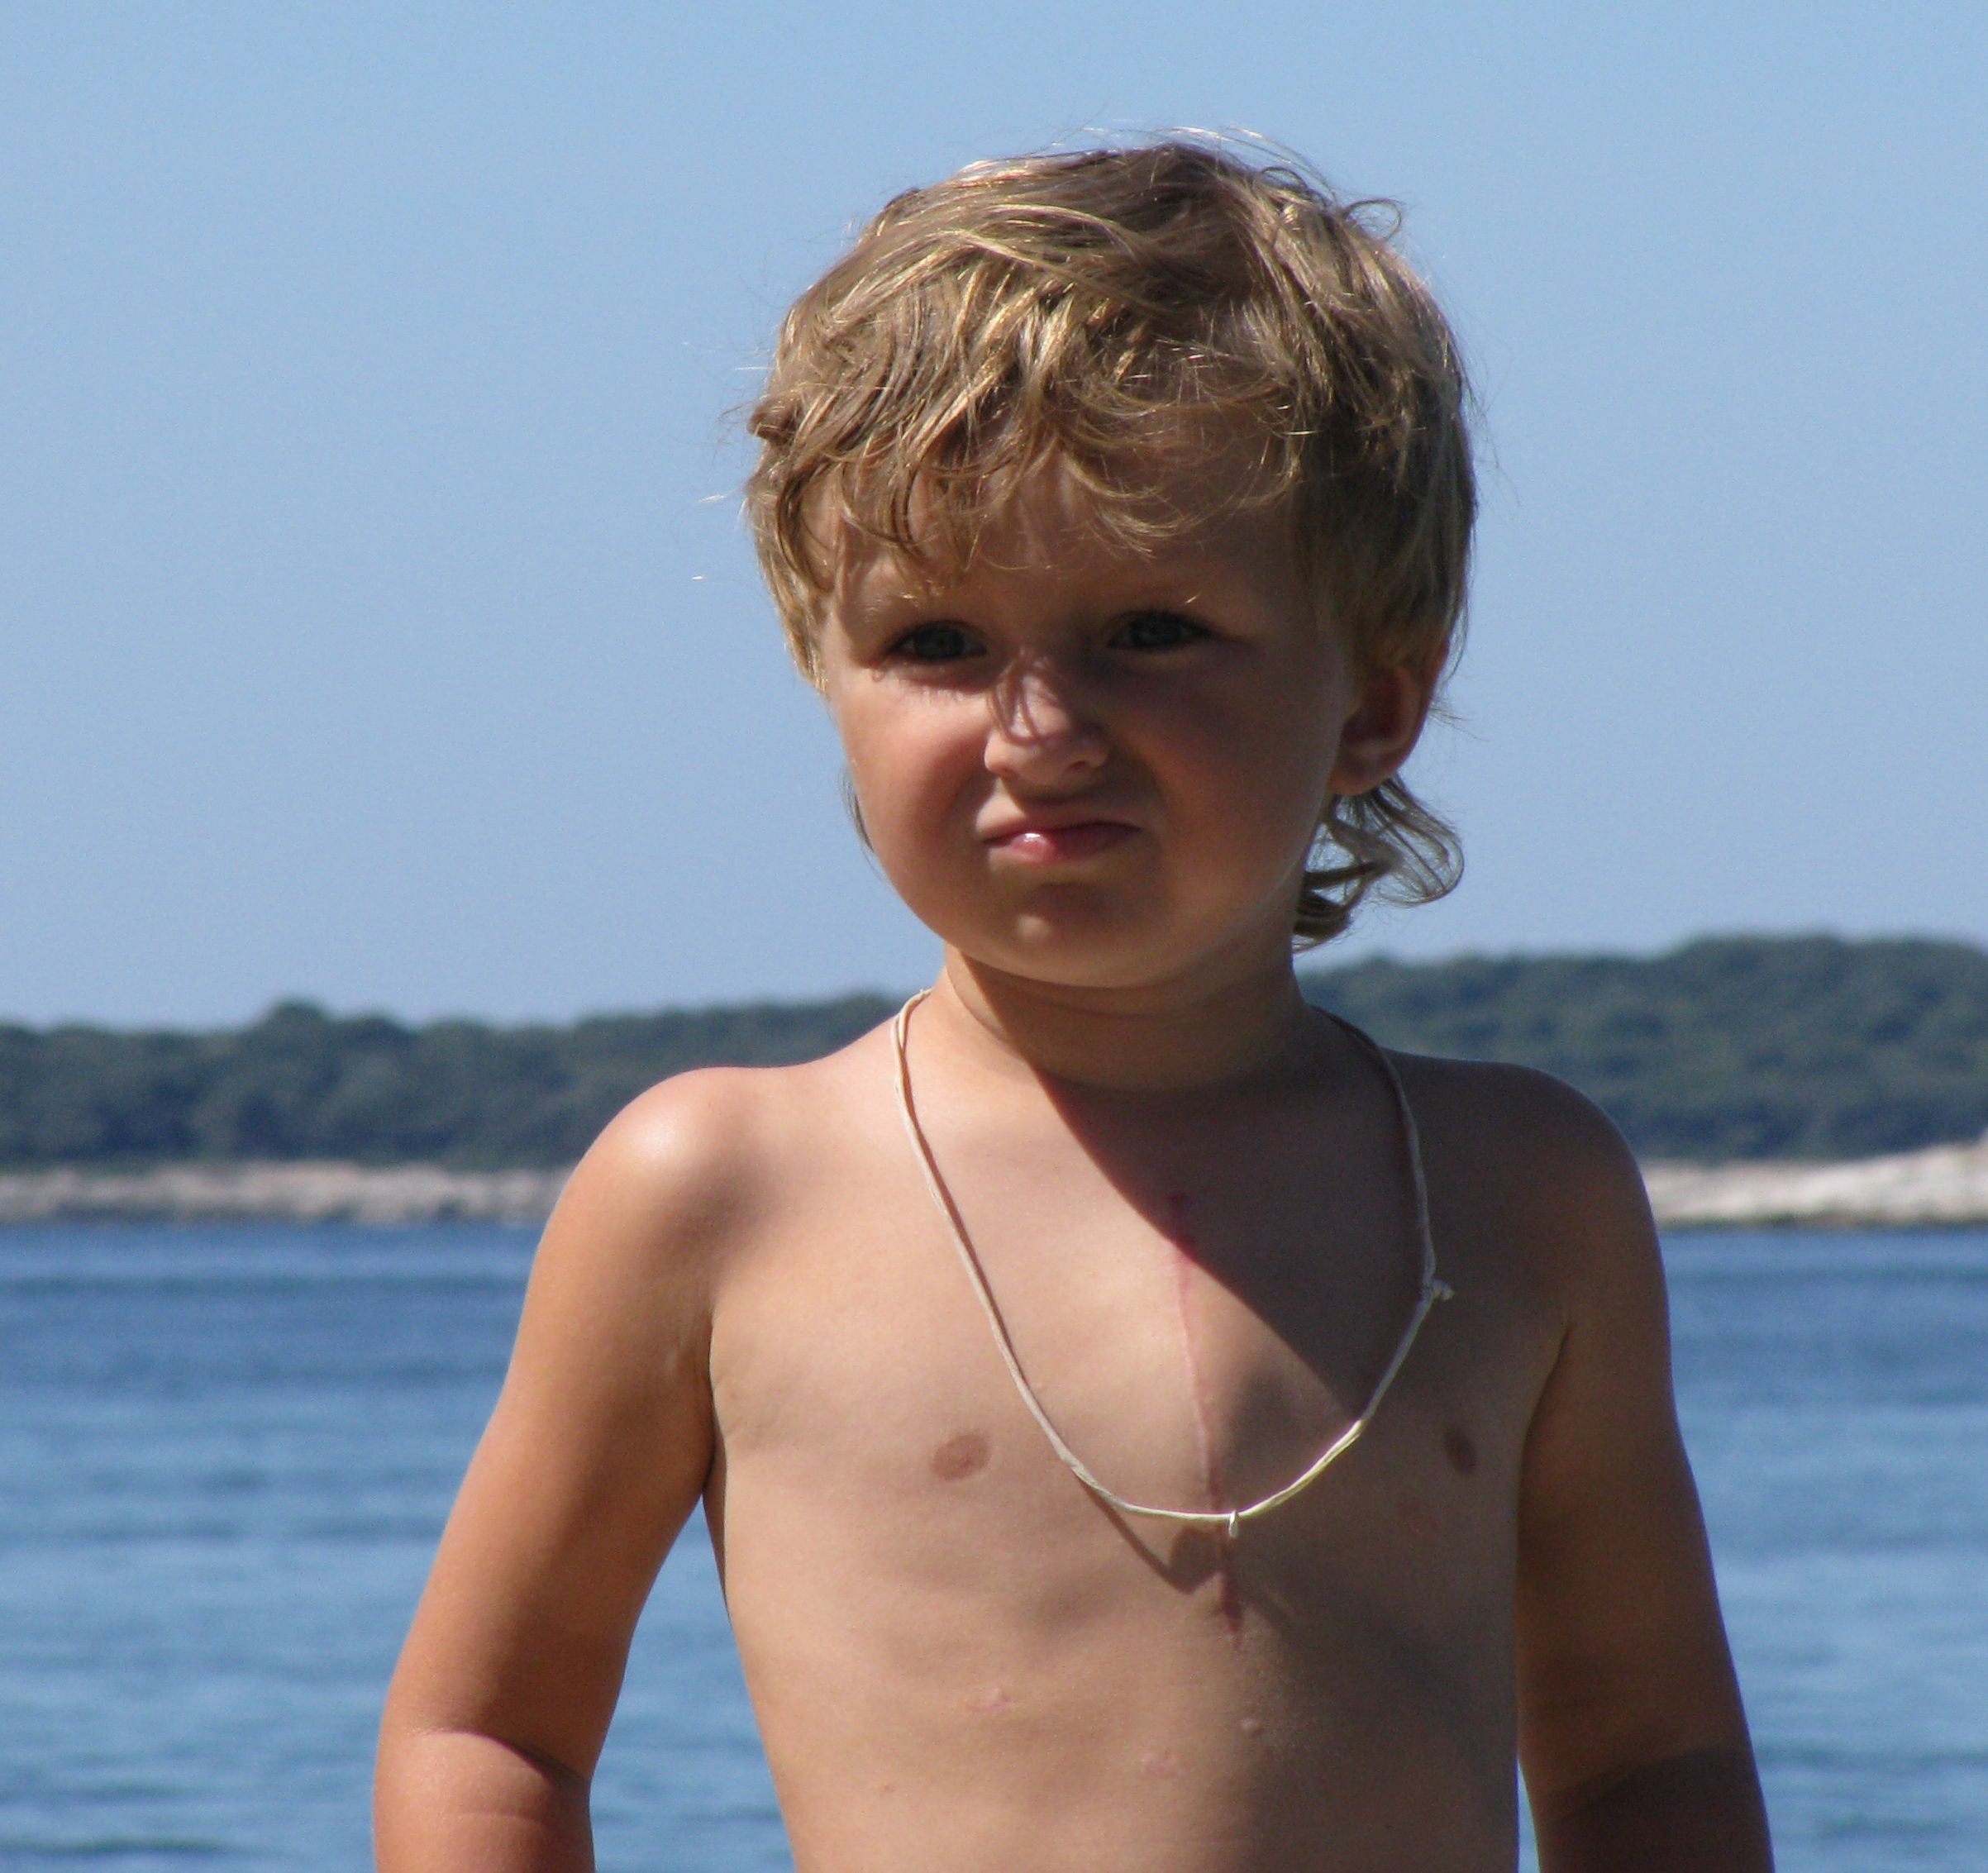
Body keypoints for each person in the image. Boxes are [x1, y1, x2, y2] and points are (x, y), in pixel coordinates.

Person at [375, 139, 1772, 1872]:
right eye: (939, 645)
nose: (1040, 731)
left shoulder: (1518, 1188)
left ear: (1373, 702)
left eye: (1151, 631)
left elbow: (1648, 1758)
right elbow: (489, 1733)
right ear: (828, 678)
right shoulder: (720, 1190)